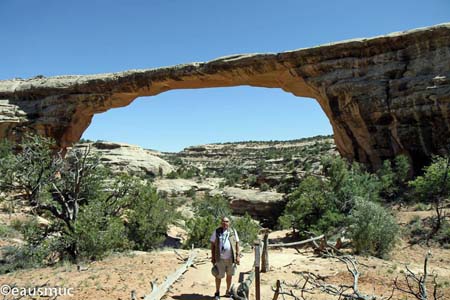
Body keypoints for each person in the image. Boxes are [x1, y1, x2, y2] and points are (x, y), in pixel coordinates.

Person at [210, 216, 240, 299]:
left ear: (229, 223)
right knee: (218, 276)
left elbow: (237, 244)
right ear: (221, 223)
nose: (225, 223)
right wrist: (213, 257)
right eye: (223, 221)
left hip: (231, 258)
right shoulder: (217, 232)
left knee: (229, 275)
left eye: (226, 221)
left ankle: (228, 291)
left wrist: (237, 256)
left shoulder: (233, 231)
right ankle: (217, 292)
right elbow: (212, 244)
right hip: (220, 258)